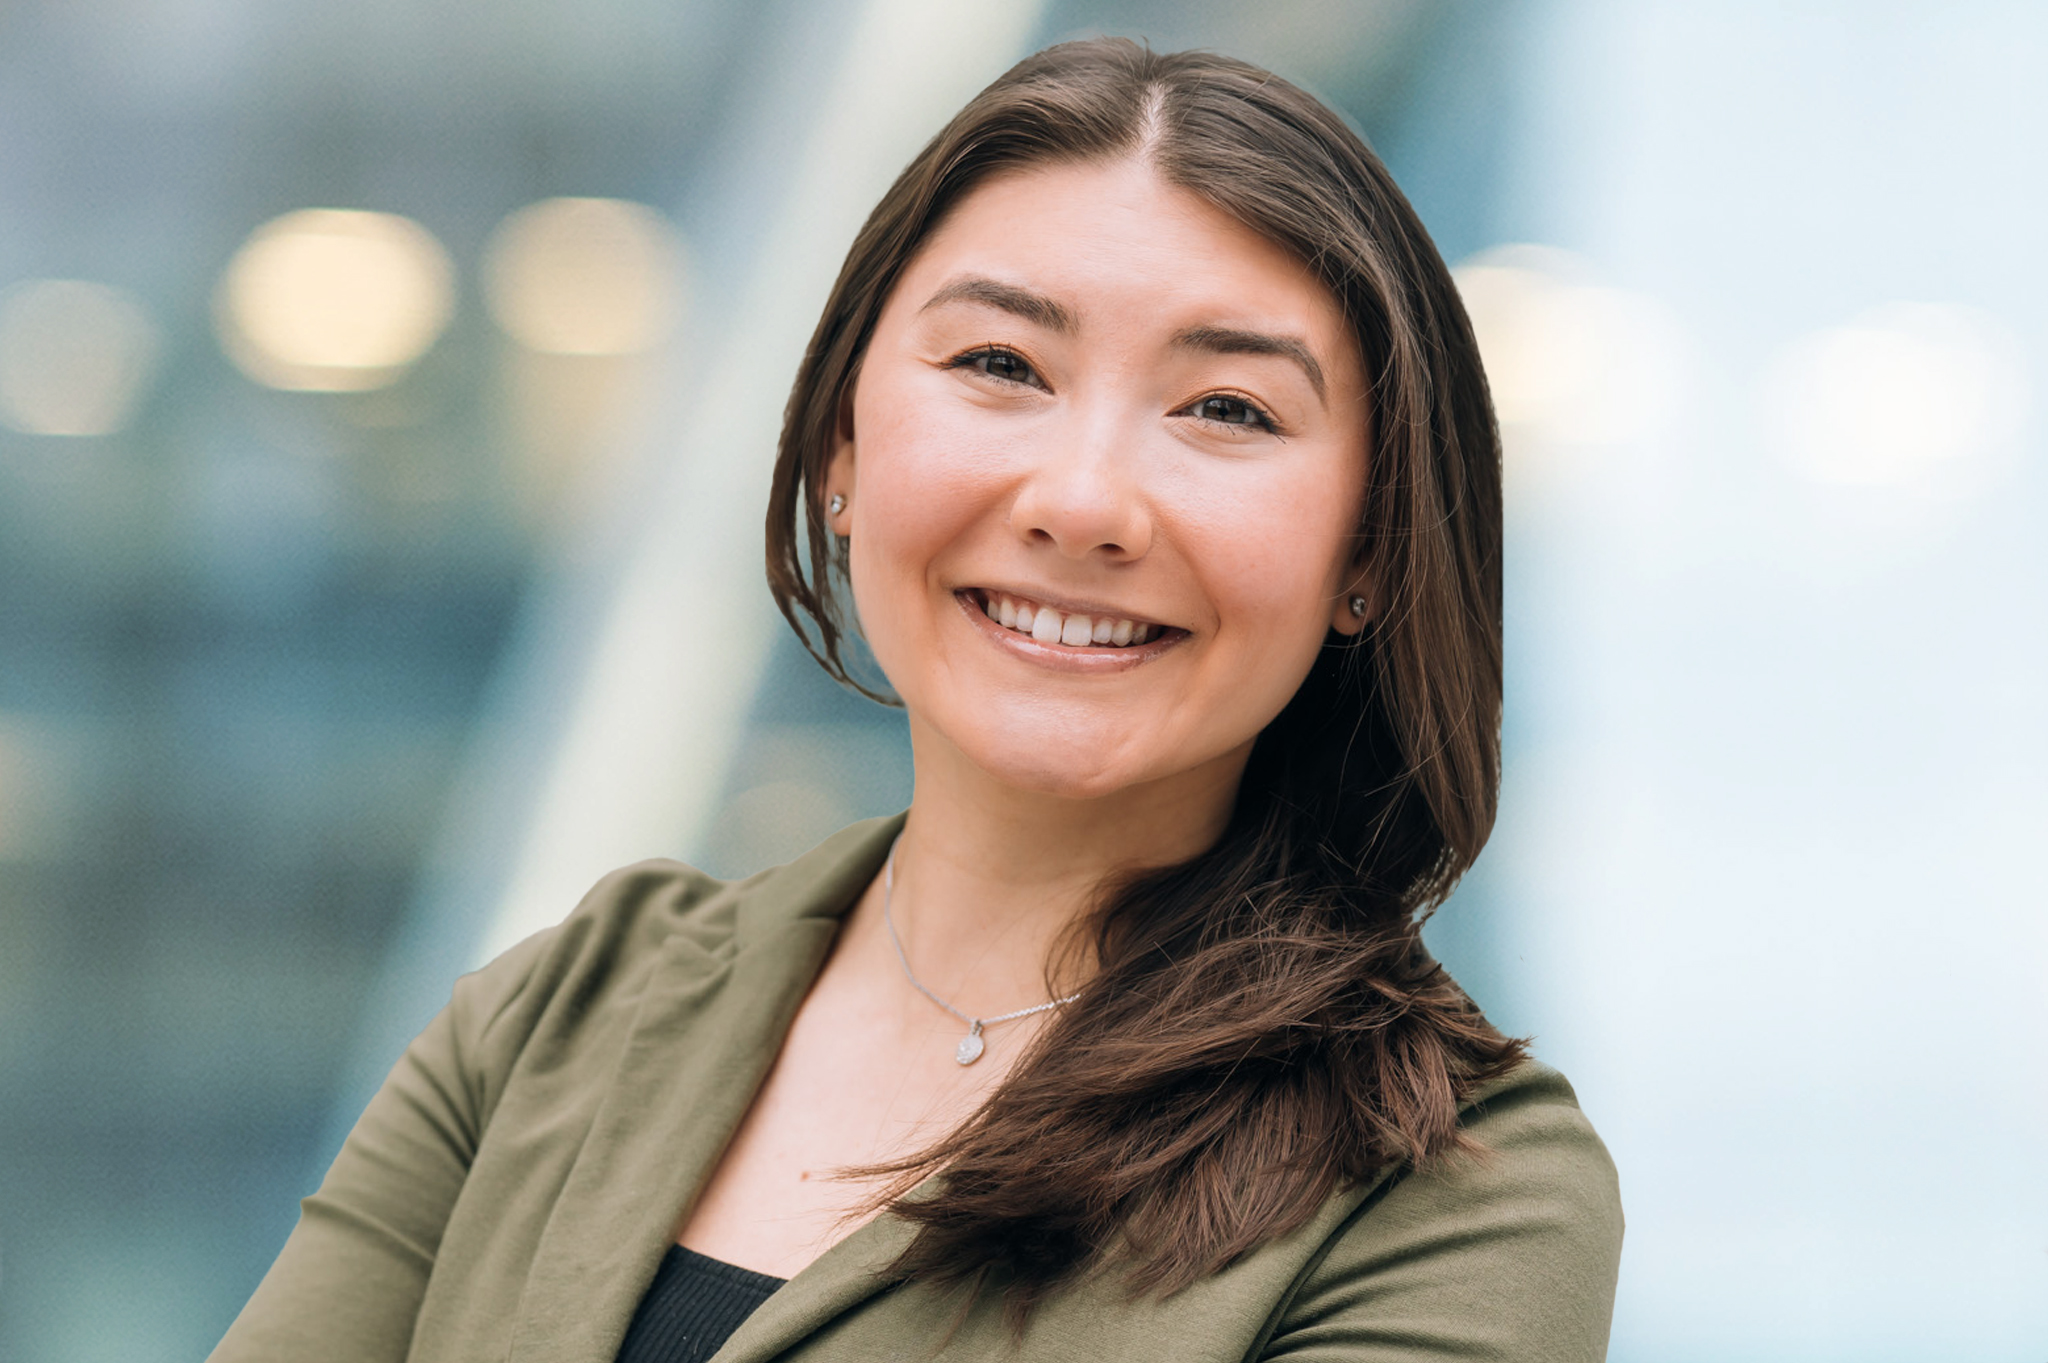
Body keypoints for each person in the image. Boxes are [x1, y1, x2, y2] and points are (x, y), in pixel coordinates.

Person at [211, 37, 1622, 1363]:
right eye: (1000, 366)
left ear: (1367, 548)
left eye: (1226, 410)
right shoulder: (560, 1019)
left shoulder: (1450, 1188)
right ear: (841, 441)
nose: (1083, 502)